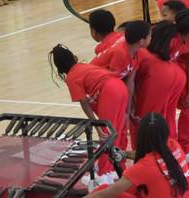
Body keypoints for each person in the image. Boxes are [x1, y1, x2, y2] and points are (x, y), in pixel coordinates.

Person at [49, 44, 129, 179]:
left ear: (59, 66)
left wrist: (97, 127)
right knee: (117, 131)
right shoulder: (83, 66)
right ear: (72, 57)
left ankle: (105, 175)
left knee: (106, 135)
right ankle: (121, 167)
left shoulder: (72, 77)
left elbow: (84, 104)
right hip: (120, 87)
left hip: (110, 91)